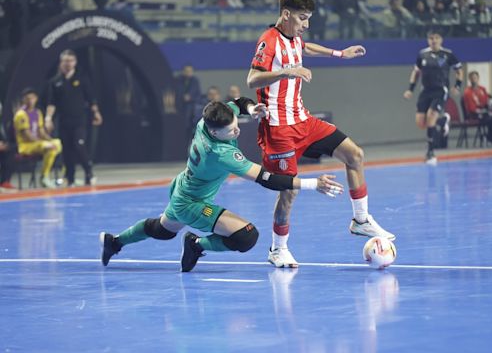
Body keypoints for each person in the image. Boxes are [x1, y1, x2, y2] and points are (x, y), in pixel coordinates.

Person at [100, 97, 343, 272]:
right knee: (246, 237)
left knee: (163, 231)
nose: (237, 131)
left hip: (183, 187)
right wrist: (313, 184)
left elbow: (237, 102)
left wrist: (250, 108)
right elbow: (267, 179)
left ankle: (115, 241)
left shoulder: (207, 121)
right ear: (216, 134)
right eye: (230, 131)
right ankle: (196, 244)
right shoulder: (219, 153)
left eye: (237, 124)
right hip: (193, 203)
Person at [246, 0, 395, 269]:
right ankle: (278, 250)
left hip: (304, 121)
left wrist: (340, 54)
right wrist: (287, 71)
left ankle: (361, 220)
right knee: (289, 192)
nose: (306, 25)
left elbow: (306, 47)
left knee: (355, 155)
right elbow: (252, 78)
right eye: (303, 18)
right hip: (279, 130)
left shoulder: (294, 39)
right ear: (286, 14)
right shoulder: (269, 40)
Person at [403, 29, 463, 164]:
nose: (433, 41)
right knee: (420, 123)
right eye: (431, 38)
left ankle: (430, 152)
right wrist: (410, 89)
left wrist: (457, 85)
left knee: (431, 117)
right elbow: (416, 72)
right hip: (426, 91)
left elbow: (459, 70)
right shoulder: (422, 54)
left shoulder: (448, 54)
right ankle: (442, 121)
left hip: (440, 90)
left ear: (441, 39)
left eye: (436, 38)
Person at [45, 49, 103, 186]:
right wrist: (48, 118)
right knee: (67, 150)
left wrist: (96, 113)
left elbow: (91, 98)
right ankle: (69, 177)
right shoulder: (55, 82)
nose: (68, 64)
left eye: (70, 61)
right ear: (61, 63)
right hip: (64, 121)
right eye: (65, 61)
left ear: (75, 62)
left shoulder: (81, 78)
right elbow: (51, 103)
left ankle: (89, 172)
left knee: (79, 145)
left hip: (80, 120)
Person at [13, 88, 62, 188]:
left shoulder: (37, 112)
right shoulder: (21, 114)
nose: (30, 101)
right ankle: (44, 176)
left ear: (36, 99)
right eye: (28, 98)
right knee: (49, 147)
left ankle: (48, 175)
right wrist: (44, 143)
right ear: (24, 100)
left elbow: (41, 132)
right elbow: (28, 135)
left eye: (32, 98)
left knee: (57, 143)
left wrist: (50, 140)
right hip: (25, 145)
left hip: (38, 143)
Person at [462, 70, 492, 146]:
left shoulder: (482, 89)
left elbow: (486, 102)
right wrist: (482, 110)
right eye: (472, 78)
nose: (474, 80)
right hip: (473, 114)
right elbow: (472, 108)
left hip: (484, 111)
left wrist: (490, 104)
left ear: (478, 78)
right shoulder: (467, 92)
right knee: (491, 118)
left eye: (475, 78)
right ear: (470, 79)